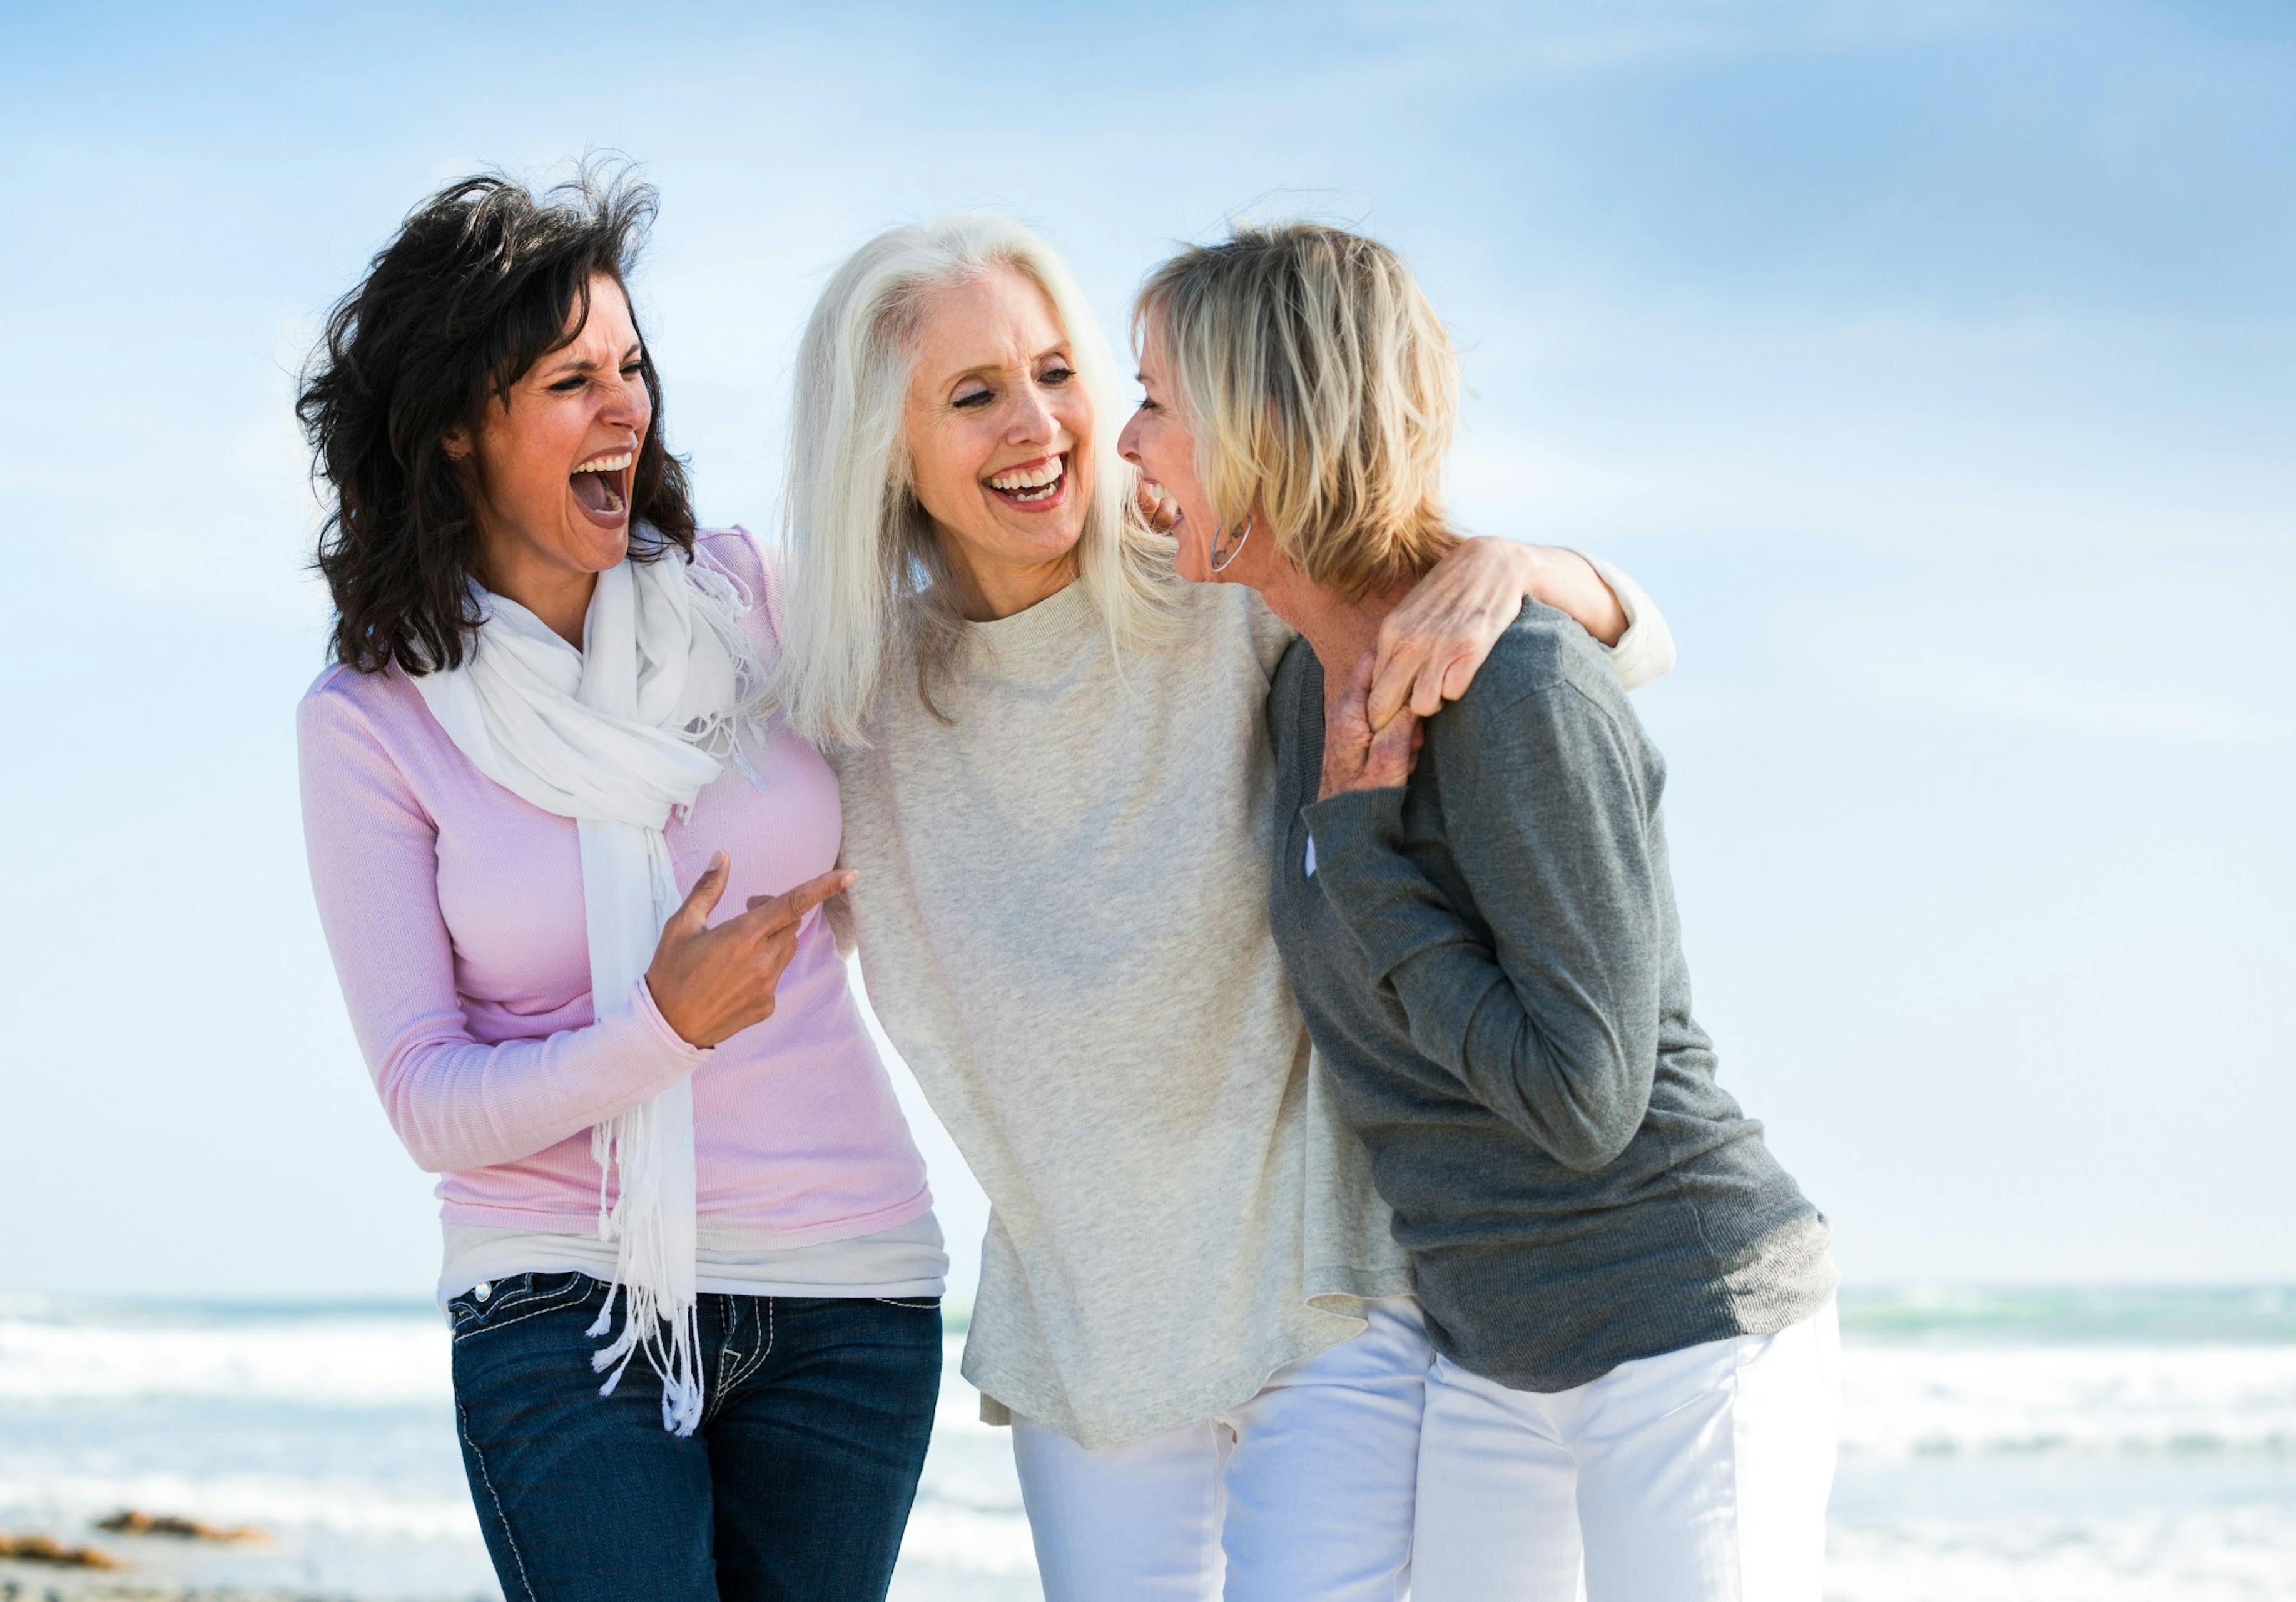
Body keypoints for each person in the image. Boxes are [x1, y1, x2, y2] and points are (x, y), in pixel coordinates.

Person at [770, 212, 1675, 1599]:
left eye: (1059, 373)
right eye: (974, 395)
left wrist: (1521, 565)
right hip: (1084, 1331)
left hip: (1322, 1286)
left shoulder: (1217, 577)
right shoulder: (851, 707)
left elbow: (1628, 640)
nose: (1043, 426)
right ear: (877, 450)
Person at [1120, 220, 1841, 1602]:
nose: (1129, 444)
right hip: (1492, 1358)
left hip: (1683, 1328)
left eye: (1158, 401)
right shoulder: (1292, 686)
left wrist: (1364, 854)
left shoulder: (1516, 692)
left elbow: (1584, 1097)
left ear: (1267, 428)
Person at [293, 170, 943, 1602]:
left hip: (848, 1291)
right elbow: (426, 1095)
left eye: (633, 366)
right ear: (458, 423)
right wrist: (660, 1027)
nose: (626, 406)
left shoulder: (751, 602)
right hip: (558, 1297)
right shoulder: (372, 721)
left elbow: (1002, 659)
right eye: (570, 378)